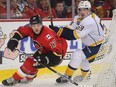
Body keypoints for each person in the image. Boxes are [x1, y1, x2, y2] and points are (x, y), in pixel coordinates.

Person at [2, 15, 67, 86]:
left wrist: (46, 59)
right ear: (30, 26)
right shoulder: (29, 28)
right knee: (33, 63)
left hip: (56, 56)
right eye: (34, 26)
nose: (36, 28)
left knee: (30, 61)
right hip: (44, 50)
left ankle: (14, 79)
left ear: (42, 24)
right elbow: (21, 31)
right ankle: (28, 79)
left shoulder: (48, 36)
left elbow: (58, 53)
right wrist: (15, 39)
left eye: (38, 25)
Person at [49, 1, 105, 83]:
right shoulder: (78, 18)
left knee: (78, 54)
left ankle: (67, 76)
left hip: (101, 46)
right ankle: (86, 77)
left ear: (89, 10)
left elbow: (72, 36)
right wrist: (56, 29)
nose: (82, 12)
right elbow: (68, 29)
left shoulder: (90, 21)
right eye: (80, 10)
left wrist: (58, 31)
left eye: (85, 10)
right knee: (84, 58)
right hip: (93, 46)